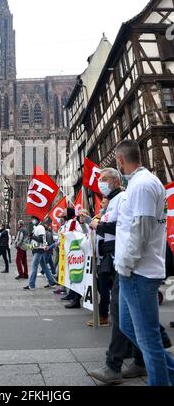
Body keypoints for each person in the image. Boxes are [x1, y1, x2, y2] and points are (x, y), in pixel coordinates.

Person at [105, 140, 173, 386]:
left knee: (148, 338)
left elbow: (141, 230)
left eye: (116, 160)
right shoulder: (137, 184)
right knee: (128, 326)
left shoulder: (143, 185)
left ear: (120, 160)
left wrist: (125, 265)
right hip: (131, 271)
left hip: (138, 272)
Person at [87, 170, 125, 327]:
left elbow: (120, 227)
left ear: (116, 182)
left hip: (118, 251)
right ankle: (105, 316)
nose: (100, 183)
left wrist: (98, 226)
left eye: (104, 179)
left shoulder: (121, 199)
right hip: (107, 253)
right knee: (107, 289)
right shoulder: (113, 202)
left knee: (119, 298)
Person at [23, 216, 56, 291]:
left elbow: (41, 239)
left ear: (37, 220)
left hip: (39, 250)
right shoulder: (36, 227)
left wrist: (33, 237)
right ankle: (52, 282)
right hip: (36, 249)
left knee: (34, 266)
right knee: (44, 266)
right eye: (32, 219)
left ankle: (31, 285)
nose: (32, 221)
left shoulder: (40, 227)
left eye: (33, 219)